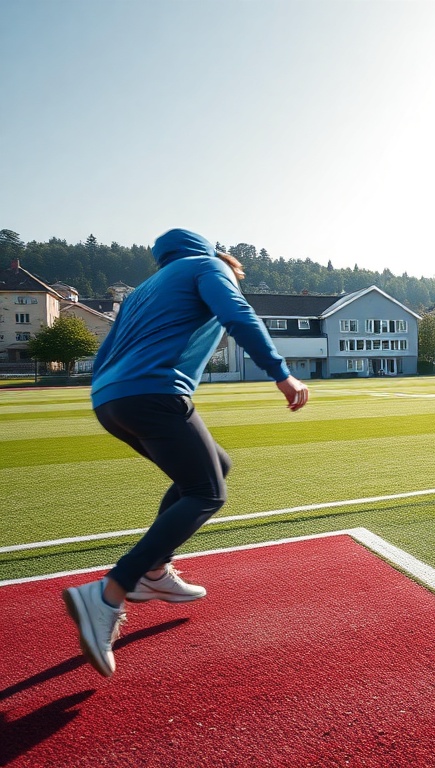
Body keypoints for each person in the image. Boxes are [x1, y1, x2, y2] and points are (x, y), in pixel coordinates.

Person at [62, 228, 309, 678]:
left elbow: (105, 352)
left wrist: (109, 387)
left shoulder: (143, 291)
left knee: (215, 468)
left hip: (110, 399)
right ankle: (111, 590)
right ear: (209, 251)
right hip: (155, 392)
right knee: (206, 492)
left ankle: (155, 572)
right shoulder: (207, 267)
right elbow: (239, 315)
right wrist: (281, 373)